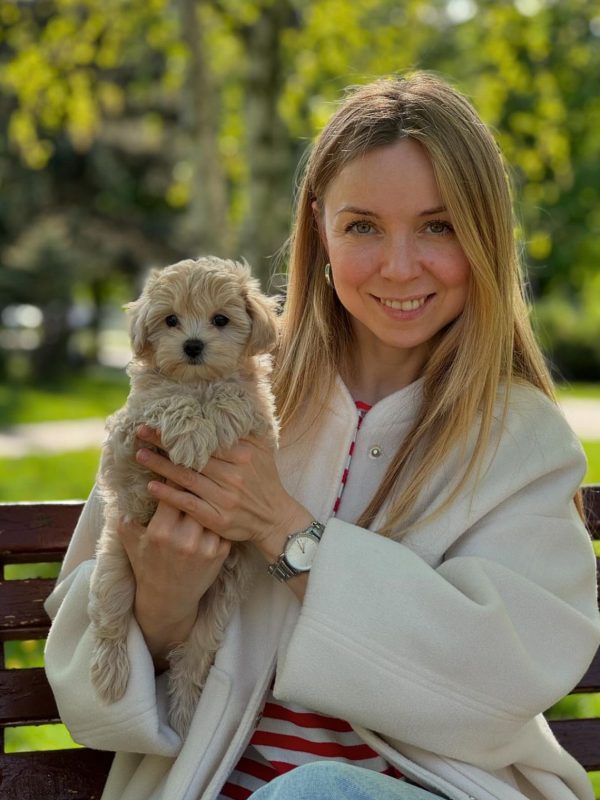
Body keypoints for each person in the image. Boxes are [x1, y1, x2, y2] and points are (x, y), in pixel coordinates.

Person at [44, 72, 600, 800]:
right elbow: (84, 685)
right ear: (320, 230)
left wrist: (287, 533)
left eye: (438, 225)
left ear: (485, 235)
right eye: (363, 226)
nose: (400, 267)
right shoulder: (213, 390)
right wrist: (161, 602)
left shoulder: (522, 443)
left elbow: (499, 685)